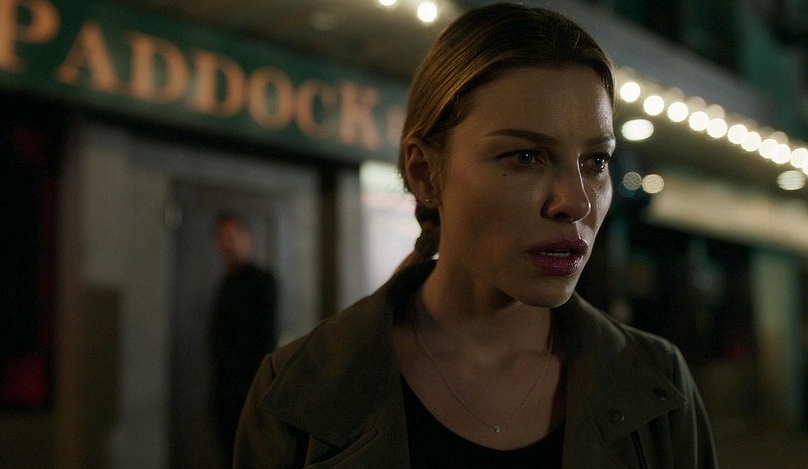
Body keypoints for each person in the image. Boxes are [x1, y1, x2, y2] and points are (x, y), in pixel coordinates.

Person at [234, 4, 718, 468]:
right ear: (424, 172)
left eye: (596, 161)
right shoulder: (298, 389)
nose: (577, 202)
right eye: (525, 157)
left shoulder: (658, 381)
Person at [208, 212, 277, 466]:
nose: (229, 243)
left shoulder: (261, 281)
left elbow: (262, 340)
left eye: (234, 235)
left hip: (249, 391)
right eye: (223, 237)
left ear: (248, 238)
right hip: (224, 391)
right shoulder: (227, 283)